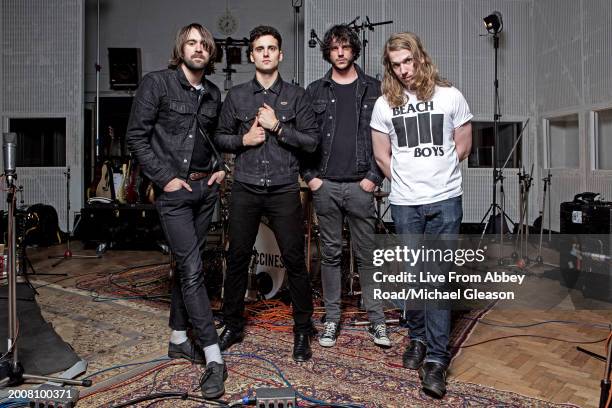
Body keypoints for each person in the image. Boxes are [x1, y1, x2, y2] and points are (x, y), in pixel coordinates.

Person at [126, 23, 227, 399]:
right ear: (180, 49)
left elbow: (214, 136)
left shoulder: (214, 93)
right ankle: (214, 356)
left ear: (210, 52)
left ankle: (179, 337)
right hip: (174, 192)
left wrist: (221, 166)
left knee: (190, 264)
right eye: (191, 43)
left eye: (204, 44)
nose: (198, 49)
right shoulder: (157, 84)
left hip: (205, 189)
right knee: (192, 268)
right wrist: (165, 178)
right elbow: (136, 136)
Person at [371, 32, 473, 398]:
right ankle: (416, 338)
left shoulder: (450, 96)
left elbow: (463, 144)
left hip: (445, 199)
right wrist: (407, 182)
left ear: (420, 58)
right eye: (395, 65)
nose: (403, 70)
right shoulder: (385, 103)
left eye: (407, 62)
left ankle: (437, 359)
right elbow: (382, 154)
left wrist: (438, 174)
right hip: (405, 202)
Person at [215, 25, 319, 362]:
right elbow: (220, 138)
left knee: (295, 260)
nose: (265, 53)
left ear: (280, 54)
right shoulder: (237, 97)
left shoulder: (297, 96)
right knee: (237, 258)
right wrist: (243, 141)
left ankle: (303, 329)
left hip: (284, 187)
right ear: (251, 55)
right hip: (244, 186)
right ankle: (232, 324)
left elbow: (312, 142)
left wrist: (278, 127)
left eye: (271, 48)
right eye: (259, 48)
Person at [303, 24, 390, 349]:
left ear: (354, 50)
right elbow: (303, 138)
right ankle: (331, 319)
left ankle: (377, 322)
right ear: (328, 51)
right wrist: (311, 177)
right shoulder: (315, 91)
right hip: (325, 186)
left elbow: (387, 136)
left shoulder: (374, 89)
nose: (340, 53)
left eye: (345, 47)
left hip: (360, 185)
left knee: (367, 256)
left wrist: (373, 178)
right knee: (330, 256)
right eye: (334, 48)